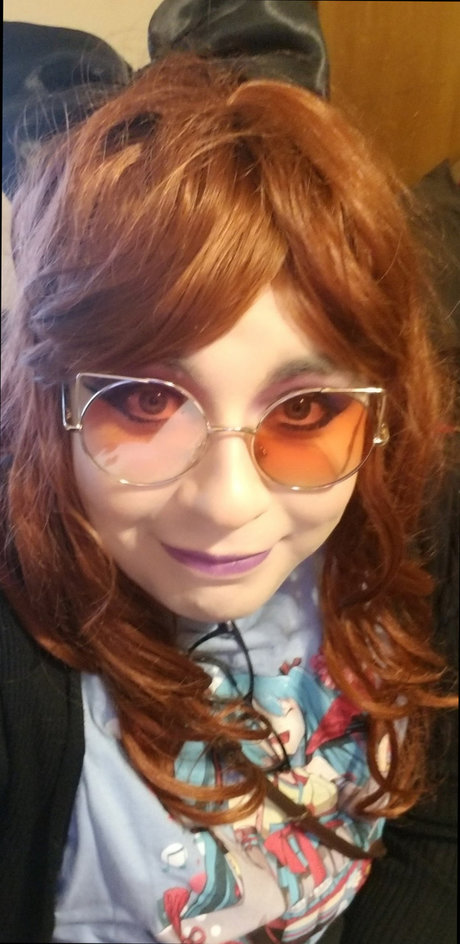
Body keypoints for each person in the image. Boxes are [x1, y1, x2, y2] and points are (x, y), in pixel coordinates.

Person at [1, 3, 457, 943]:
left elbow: (436, 827)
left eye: (305, 411)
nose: (227, 504)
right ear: (53, 404)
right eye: (143, 401)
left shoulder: (419, 521)